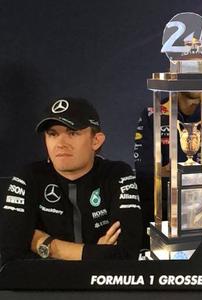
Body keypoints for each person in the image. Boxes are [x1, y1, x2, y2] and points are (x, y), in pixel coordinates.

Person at [0, 98, 143, 265]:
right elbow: (10, 255)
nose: (60, 144)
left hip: (102, 287)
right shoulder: (28, 177)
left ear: (96, 140)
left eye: (72, 133)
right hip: (45, 287)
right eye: (52, 134)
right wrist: (96, 254)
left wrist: (45, 244)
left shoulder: (117, 174)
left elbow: (126, 254)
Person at [133, 91, 202, 227]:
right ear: (173, 71)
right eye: (189, 69)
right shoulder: (153, 113)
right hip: (164, 212)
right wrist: (167, 172)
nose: (195, 75)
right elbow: (144, 173)